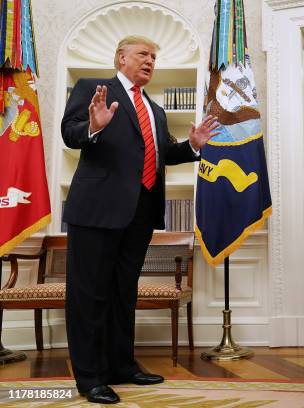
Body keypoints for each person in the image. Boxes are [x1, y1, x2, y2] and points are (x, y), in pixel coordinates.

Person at [61, 35, 219, 404]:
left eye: (154, 57)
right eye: (143, 55)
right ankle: (90, 378)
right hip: (97, 211)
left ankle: (121, 365)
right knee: (89, 295)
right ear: (121, 57)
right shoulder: (93, 89)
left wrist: (192, 146)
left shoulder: (155, 108)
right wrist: (94, 126)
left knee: (122, 293)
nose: (150, 61)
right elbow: (71, 135)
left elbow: (162, 152)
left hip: (139, 214)